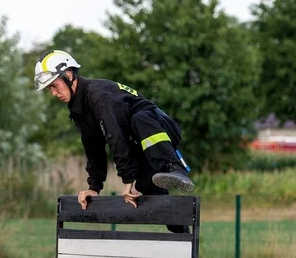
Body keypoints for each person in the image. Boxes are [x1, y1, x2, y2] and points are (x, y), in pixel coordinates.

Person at [34, 49, 194, 231]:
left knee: (139, 119)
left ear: (68, 75)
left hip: (160, 127)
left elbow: (115, 135)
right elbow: (93, 148)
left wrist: (127, 181)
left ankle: (176, 168)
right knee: (145, 184)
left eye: (54, 86)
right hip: (138, 144)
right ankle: (182, 235)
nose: (54, 93)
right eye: (49, 89)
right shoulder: (79, 109)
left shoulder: (99, 95)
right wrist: (93, 187)